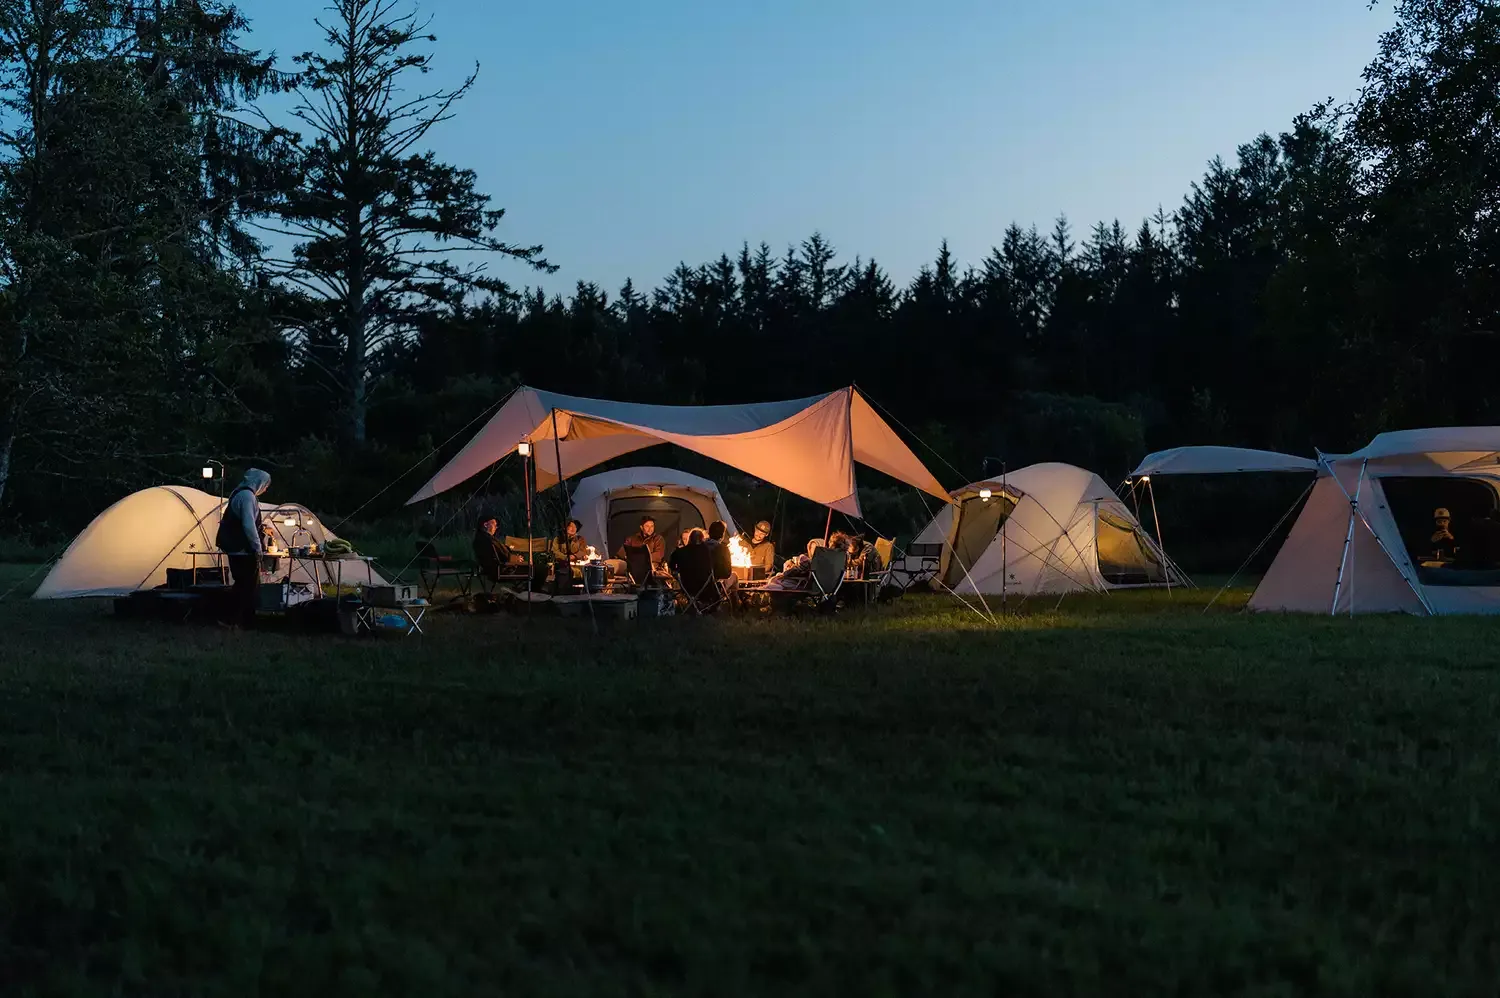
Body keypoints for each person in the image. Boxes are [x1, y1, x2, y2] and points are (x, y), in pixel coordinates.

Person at [215, 468, 271, 629]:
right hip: (243, 549)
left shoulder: (238, 493)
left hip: (236, 548)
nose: (265, 489)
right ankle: (237, 620)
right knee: (247, 585)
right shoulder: (247, 496)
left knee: (242, 584)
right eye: (265, 485)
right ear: (259, 482)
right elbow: (248, 524)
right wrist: (257, 547)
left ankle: (236, 619)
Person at [472, 514, 512, 583]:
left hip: (488, 571)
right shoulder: (489, 541)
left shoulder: (478, 539)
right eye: (494, 524)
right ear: (485, 525)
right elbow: (505, 556)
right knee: (534, 571)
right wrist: (515, 559)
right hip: (500, 571)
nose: (496, 527)